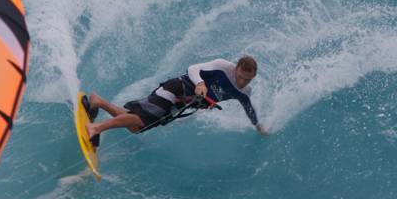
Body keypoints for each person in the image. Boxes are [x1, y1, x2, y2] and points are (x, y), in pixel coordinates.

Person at [83, 55, 266, 143]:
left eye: (248, 80)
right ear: (236, 68)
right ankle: (96, 127)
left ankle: (98, 101)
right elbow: (193, 68)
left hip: (182, 104)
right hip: (177, 88)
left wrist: (258, 126)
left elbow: (248, 108)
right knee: (143, 118)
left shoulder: (244, 92)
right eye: (241, 77)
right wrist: (200, 83)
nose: (242, 82)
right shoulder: (222, 66)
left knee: (137, 125)